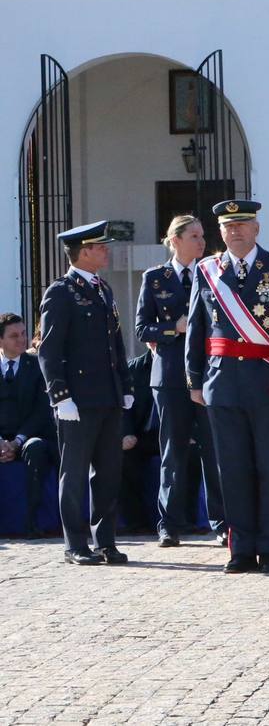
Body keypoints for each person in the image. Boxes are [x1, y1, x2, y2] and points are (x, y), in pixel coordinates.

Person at [187, 200, 269, 574]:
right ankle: (241, 548)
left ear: (256, 228)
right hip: (222, 382)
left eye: (242, 224)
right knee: (232, 469)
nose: (236, 231)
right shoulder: (208, 270)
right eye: (229, 226)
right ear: (221, 232)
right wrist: (194, 378)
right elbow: (196, 328)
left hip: (267, 381)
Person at [37, 220, 134, 565]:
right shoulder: (61, 292)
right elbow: (49, 350)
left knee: (108, 473)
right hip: (77, 400)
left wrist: (125, 385)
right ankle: (75, 544)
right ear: (84, 252)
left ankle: (105, 541)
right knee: (75, 473)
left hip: (107, 395)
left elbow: (115, 344)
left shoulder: (103, 288)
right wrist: (60, 396)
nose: (105, 251)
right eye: (100, 247)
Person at [137, 214, 227, 548]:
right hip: (171, 376)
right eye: (194, 236)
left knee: (213, 450)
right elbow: (141, 328)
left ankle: (221, 521)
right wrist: (172, 328)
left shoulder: (213, 273)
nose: (202, 242)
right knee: (173, 452)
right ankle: (169, 524)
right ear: (175, 240)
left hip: (208, 374)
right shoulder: (155, 278)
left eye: (202, 236)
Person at [0, 312, 56, 538]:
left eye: (23, 333)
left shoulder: (37, 365)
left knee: (36, 448)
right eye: (14, 336)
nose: (22, 339)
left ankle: (32, 521)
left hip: (28, 436)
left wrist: (16, 442)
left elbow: (41, 412)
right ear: (0, 340)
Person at [117, 350, 158, 534]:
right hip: (142, 435)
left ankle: (183, 521)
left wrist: (191, 433)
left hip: (174, 434)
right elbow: (125, 406)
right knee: (122, 458)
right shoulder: (134, 368)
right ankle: (136, 522)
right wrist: (126, 433)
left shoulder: (182, 364)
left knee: (191, 456)